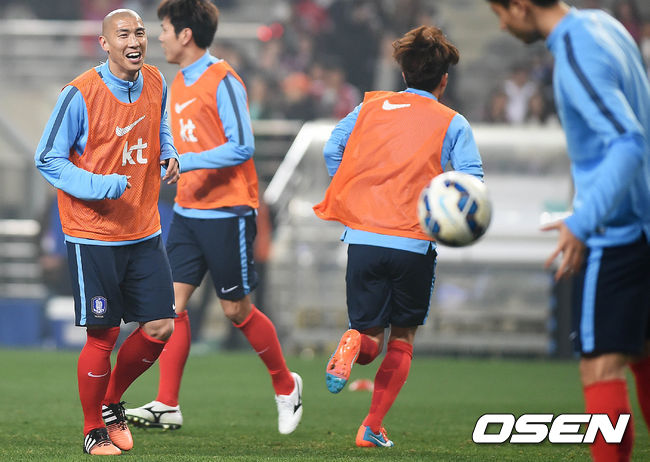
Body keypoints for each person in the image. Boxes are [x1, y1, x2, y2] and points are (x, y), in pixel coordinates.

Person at [125, 0, 303, 435]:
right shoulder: (177, 81)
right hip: (188, 211)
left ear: (185, 34)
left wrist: (185, 161)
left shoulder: (223, 79)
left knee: (236, 309)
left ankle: (286, 385)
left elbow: (242, 146)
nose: (160, 37)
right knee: (169, 308)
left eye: (165, 29)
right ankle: (167, 403)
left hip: (228, 211)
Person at [485, 1, 650, 461]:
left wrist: (582, 220)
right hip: (644, 220)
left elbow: (628, 142)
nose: (502, 25)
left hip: (618, 231)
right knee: (642, 355)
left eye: (500, 12)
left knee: (600, 369)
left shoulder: (576, 52)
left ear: (520, 6)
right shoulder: (605, 26)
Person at [313, 25, 484, 448]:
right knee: (402, 340)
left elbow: (332, 148)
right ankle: (371, 427)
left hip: (363, 238)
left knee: (368, 337)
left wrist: (354, 192)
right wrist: (449, 216)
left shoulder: (370, 107)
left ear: (403, 73)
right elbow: (472, 181)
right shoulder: (453, 122)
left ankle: (352, 342)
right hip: (413, 242)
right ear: (444, 80)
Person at [34, 9, 180, 456]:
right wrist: (99, 185)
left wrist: (169, 151)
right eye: (123, 34)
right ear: (104, 43)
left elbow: (159, 123)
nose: (134, 41)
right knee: (104, 335)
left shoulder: (156, 79)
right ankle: (93, 428)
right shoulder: (79, 93)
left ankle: (111, 400)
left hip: (143, 229)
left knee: (160, 326)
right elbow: (47, 158)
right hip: (93, 234)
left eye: (140, 33)